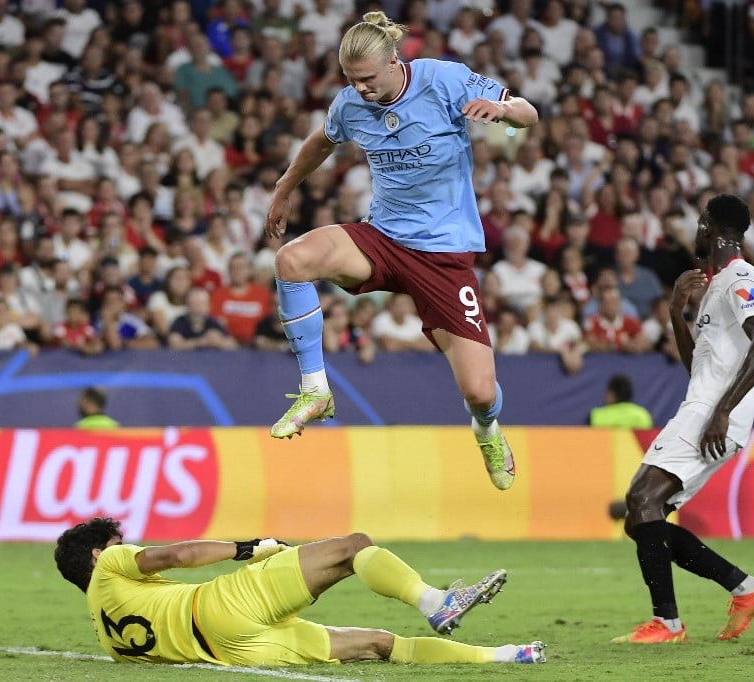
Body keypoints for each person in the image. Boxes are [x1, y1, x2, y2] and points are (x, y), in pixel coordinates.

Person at [264, 12, 538, 490]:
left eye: (368, 79)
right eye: (352, 80)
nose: (361, 89)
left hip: (444, 255)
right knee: (292, 259)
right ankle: (315, 390)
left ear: (395, 60)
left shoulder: (444, 79)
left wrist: (504, 113)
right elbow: (320, 143)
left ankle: (487, 430)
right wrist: (285, 188)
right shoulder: (350, 104)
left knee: (478, 391)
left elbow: (527, 112)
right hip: (384, 239)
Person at [614, 195, 754, 644]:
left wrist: (723, 410)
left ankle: (667, 624)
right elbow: (698, 370)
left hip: (713, 413)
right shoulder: (715, 287)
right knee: (641, 519)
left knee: (641, 498)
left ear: (708, 227)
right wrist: (675, 314)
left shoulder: (741, 276)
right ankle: (747, 589)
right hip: (702, 404)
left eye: (699, 222)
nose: (696, 228)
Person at [54, 518, 546, 667]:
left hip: (237, 652)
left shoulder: (106, 637)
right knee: (353, 547)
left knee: (377, 644)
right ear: (99, 555)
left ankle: (510, 656)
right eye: (118, 543)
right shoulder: (113, 566)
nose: (128, 546)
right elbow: (176, 557)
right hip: (223, 606)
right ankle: (437, 603)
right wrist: (248, 548)